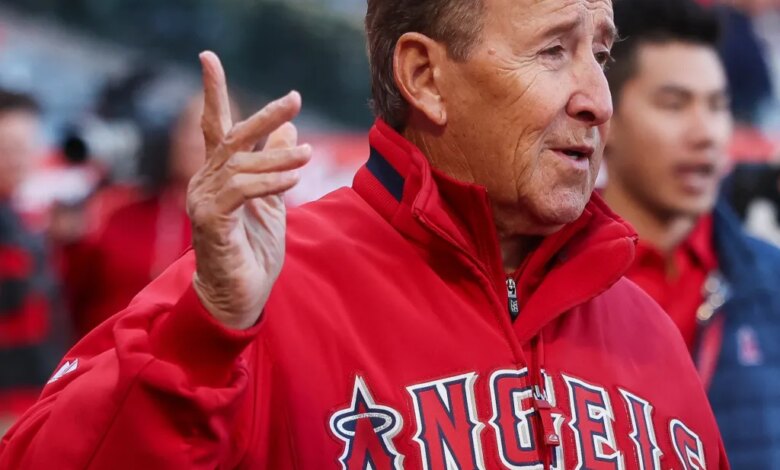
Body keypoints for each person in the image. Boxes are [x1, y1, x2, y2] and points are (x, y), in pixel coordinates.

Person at [0, 0, 728, 468]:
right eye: (552, 51)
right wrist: (205, 334)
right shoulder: (258, 299)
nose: (599, 100)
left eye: (599, 53)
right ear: (425, 76)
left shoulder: (648, 330)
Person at [602, 0, 780, 466]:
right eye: (674, 104)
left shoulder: (769, 281)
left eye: (718, 106)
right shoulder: (549, 278)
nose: (706, 133)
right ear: (607, 119)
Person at [64, 94, 208, 338]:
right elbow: (71, 297)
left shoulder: (247, 234)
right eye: (187, 128)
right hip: (98, 363)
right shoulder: (117, 209)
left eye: (208, 130)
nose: (193, 142)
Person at [0, 90, 68, 435]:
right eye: (9, 147)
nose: (19, 158)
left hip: (32, 401)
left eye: (27, 147)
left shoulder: (21, 220)